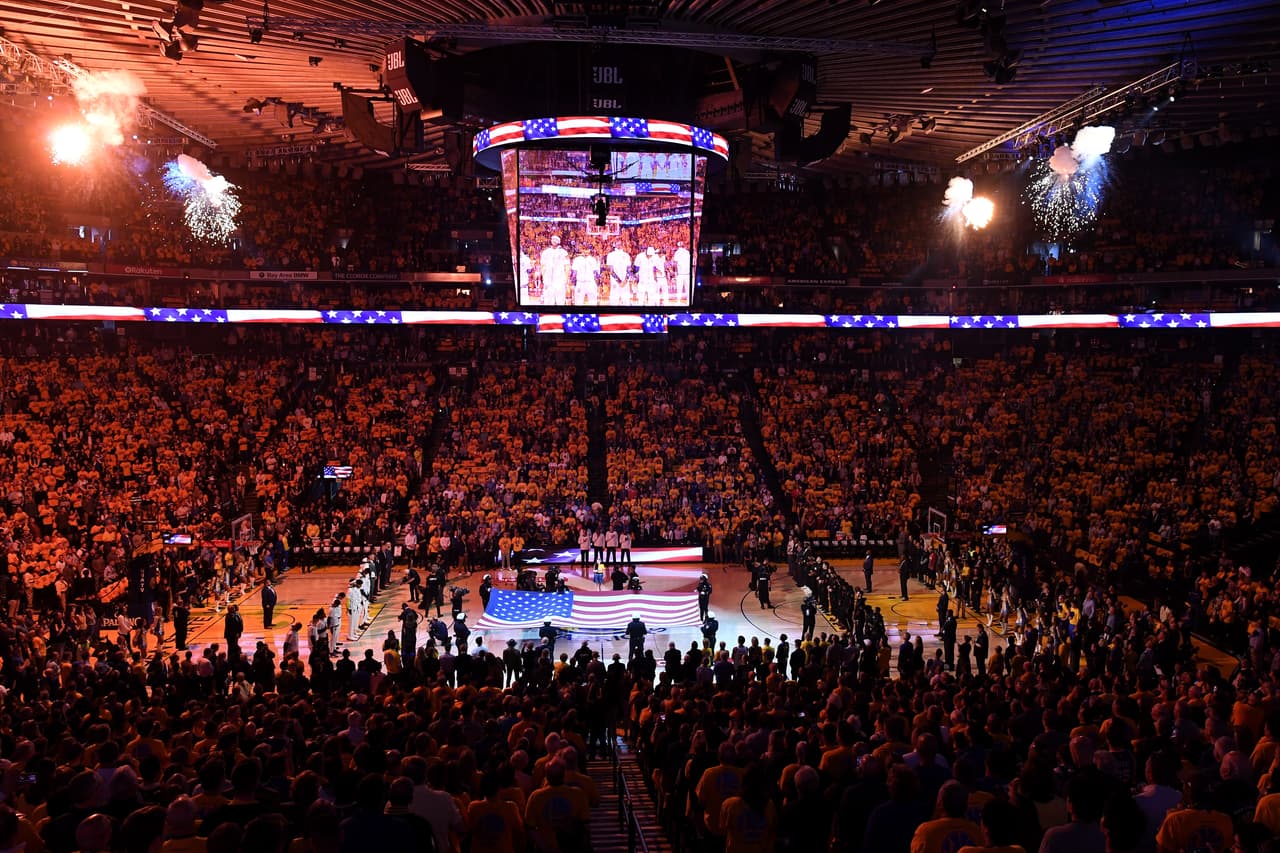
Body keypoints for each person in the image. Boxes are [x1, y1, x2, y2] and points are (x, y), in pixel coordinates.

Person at [539, 235, 570, 304]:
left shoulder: (563, 252)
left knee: (560, 300)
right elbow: (543, 265)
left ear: (559, 241)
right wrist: (544, 278)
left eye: (556, 239)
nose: (554, 241)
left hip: (560, 279)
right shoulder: (546, 252)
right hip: (548, 279)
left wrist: (566, 279)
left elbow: (567, 266)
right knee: (548, 300)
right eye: (553, 239)